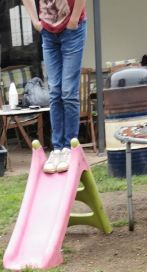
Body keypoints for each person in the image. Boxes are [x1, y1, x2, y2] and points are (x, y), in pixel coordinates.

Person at [22, 0, 87, 173]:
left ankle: (70, 147)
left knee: (68, 92)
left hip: (72, 30)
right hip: (48, 32)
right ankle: (57, 148)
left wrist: (74, 19)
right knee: (55, 92)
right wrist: (35, 21)